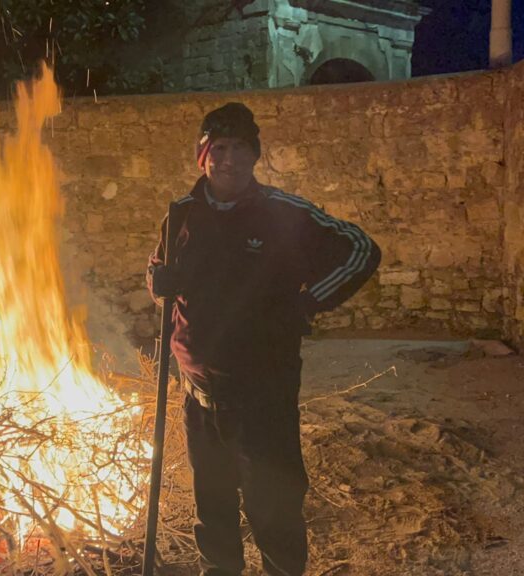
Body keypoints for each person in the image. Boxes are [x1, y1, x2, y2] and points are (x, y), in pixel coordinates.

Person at [146, 102, 381, 576]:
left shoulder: (282, 214)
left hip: (263, 396)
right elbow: (158, 272)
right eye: (219, 148)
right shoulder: (181, 215)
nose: (228, 159)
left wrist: (307, 302)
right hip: (199, 397)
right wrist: (158, 284)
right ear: (203, 155)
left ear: (255, 156)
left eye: (240, 149)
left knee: (273, 511)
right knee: (212, 511)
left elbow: (361, 249)